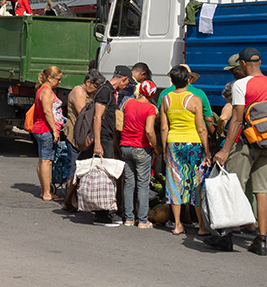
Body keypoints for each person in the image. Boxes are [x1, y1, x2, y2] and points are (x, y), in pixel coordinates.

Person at [212, 47, 267, 256]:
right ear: (259, 62)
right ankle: (261, 240)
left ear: (242, 63)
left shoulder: (241, 85)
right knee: (262, 191)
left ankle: (226, 237)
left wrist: (225, 150)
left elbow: (237, 120)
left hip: (245, 144)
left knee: (234, 187)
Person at [161, 65, 212, 236]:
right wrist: (207, 151)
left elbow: (164, 127)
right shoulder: (194, 99)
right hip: (193, 144)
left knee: (175, 182)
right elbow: (201, 128)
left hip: (173, 144)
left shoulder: (166, 99)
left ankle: (177, 225)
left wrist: (164, 150)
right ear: (188, 80)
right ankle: (202, 226)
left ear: (172, 80)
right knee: (196, 183)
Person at [90, 65, 132, 226]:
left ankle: (106, 211)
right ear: (123, 79)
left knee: (107, 175)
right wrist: (97, 143)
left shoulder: (110, 91)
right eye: (127, 83)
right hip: (103, 139)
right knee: (104, 176)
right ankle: (102, 214)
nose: (127, 86)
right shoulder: (105, 91)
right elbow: (97, 117)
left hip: (107, 137)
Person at [121, 79, 160, 227]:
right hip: (141, 148)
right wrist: (156, 147)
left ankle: (129, 218)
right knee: (143, 185)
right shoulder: (150, 108)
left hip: (125, 146)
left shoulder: (128, 103)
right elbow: (149, 131)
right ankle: (143, 220)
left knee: (129, 183)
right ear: (152, 94)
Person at [63, 70, 101, 210]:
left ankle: (75, 198)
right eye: (95, 86)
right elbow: (83, 114)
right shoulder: (78, 91)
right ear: (88, 82)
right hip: (75, 134)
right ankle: (70, 200)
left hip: (84, 135)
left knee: (81, 167)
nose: (95, 89)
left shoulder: (88, 93)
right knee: (74, 167)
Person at [30, 66, 64, 201]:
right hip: (45, 129)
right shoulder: (46, 91)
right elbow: (47, 111)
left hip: (40, 129)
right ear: (50, 78)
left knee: (42, 160)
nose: (59, 82)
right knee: (46, 161)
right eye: (58, 79)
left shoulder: (41, 89)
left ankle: (44, 190)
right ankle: (47, 193)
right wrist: (55, 130)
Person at [158, 64, 218, 136]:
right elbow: (209, 119)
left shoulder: (164, 94)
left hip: (172, 137)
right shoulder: (200, 93)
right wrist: (213, 139)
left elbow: (160, 119)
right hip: (195, 137)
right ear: (190, 79)